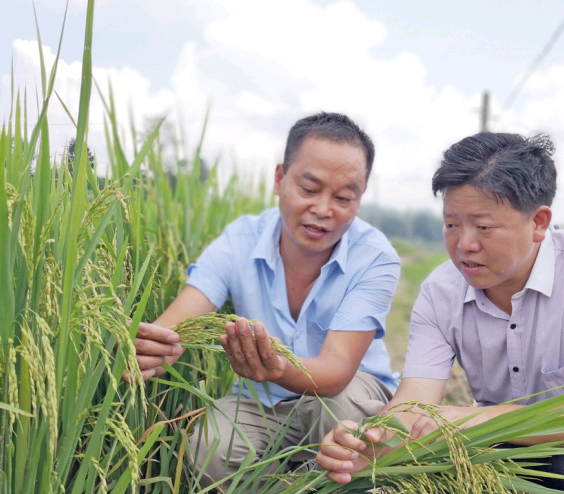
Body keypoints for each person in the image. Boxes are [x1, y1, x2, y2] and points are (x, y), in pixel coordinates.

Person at [316, 132, 564, 493]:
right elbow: (416, 401)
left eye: (484, 227)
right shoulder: (441, 292)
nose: (465, 244)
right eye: (452, 225)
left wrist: (473, 419)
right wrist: (375, 441)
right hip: (502, 444)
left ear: (539, 223)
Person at [132, 112, 401, 487]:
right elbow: (180, 318)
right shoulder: (238, 240)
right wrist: (154, 345)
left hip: (351, 390)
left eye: (343, 198)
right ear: (280, 179)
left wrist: (278, 367)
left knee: (344, 420)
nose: (324, 210)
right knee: (210, 448)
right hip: (262, 400)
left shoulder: (375, 256)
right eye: (309, 189)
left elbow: (337, 371)